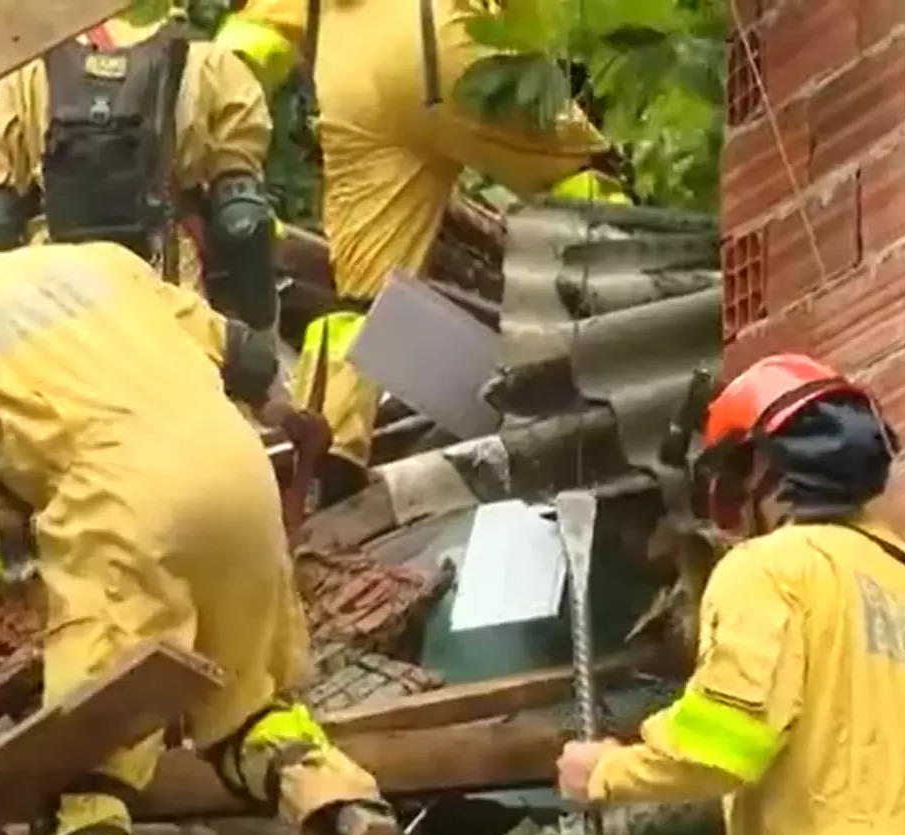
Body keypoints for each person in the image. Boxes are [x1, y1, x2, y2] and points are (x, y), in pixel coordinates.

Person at [0, 208, 453, 835]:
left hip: (121, 507)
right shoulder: (93, 258)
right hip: (239, 477)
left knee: (81, 770)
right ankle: (353, 820)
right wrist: (288, 418)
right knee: (249, 708)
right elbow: (241, 353)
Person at [554, 353, 905, 835]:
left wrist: (608, 771)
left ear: (766, 472)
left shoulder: (771, 569)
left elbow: (725, 739)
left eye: (731, 480)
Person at [213, 0, 627, 478]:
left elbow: (256, 37)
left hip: (352, 82)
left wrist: (206, 96)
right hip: (448, 41)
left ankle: (322, 451)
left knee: (359, 301)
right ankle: (640, 301)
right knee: (577, 179)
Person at [0, 0, 279, 335]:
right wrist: (256, 322)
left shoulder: (31, 69)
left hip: (55, 297)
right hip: (164, 291)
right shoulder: (210, 65)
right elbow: (243, 222)